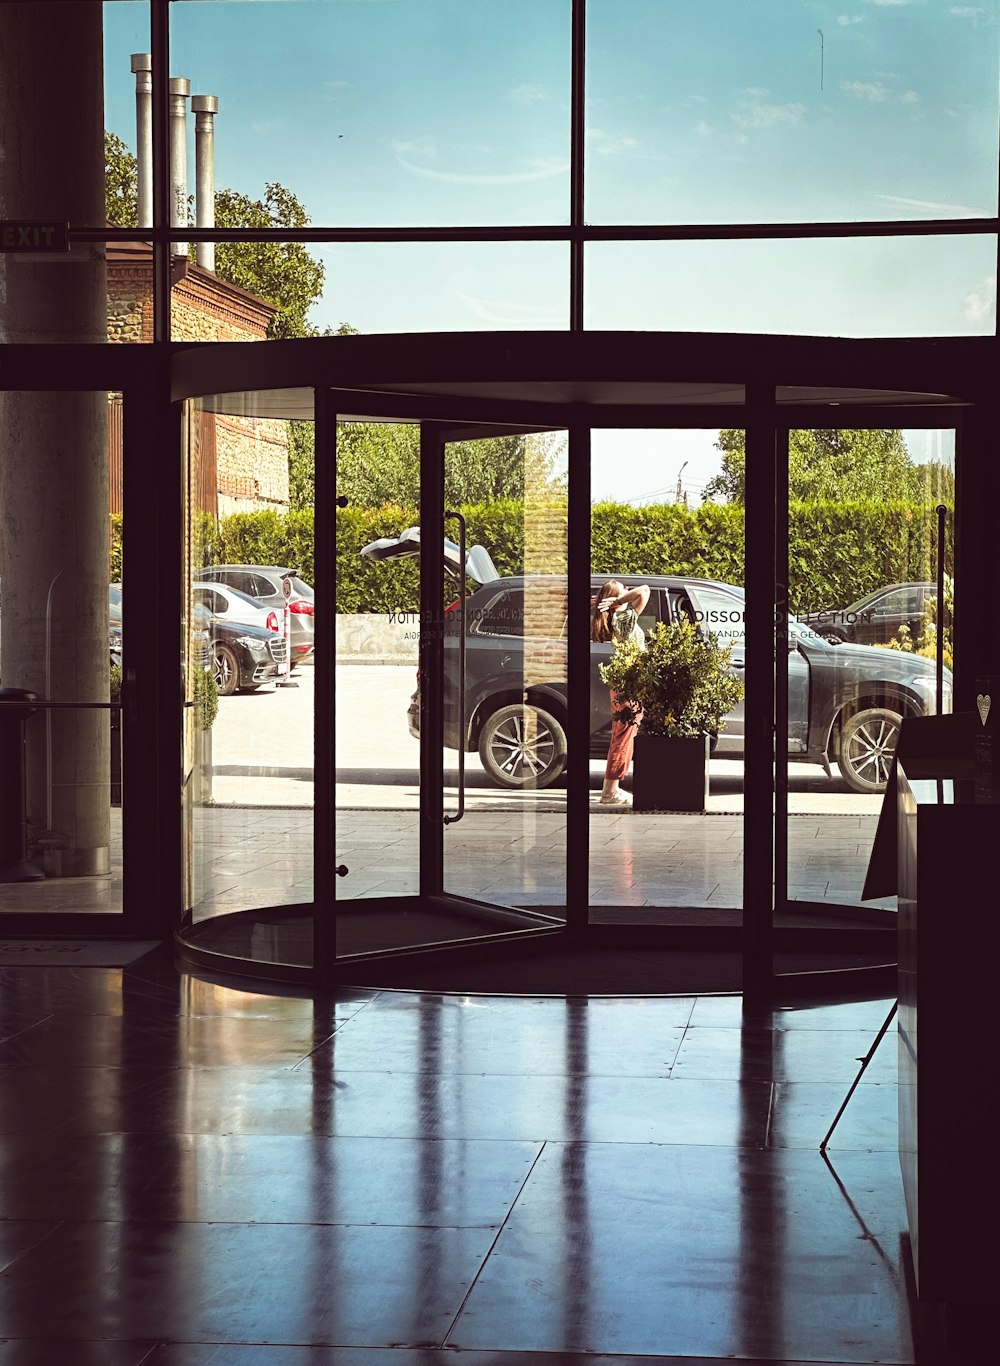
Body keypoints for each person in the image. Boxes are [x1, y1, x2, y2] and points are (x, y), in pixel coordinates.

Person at [591, 579, 650, 805]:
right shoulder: (623, 619)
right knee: (624, 736)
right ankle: (610, 791)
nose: (628, 592)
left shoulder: (615, 619)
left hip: (624, 682)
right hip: (629, 683)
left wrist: (611, 601)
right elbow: (644, 590)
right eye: (623, 590)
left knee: (622, 735)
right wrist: (617, 600)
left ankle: (612, 787)